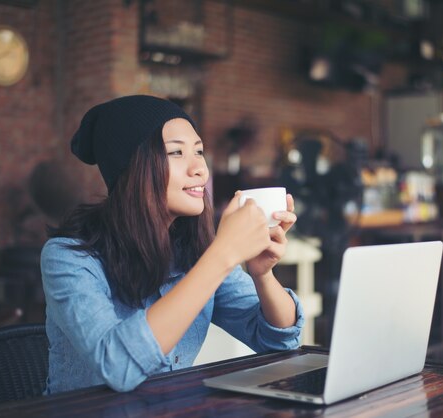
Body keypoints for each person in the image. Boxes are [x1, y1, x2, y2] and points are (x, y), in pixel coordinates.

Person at [40, 95, 304, 394]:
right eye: (176, 153)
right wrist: (223, 254)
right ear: (132, 167)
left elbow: (279, 341)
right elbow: (117, 365)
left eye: (199, 151)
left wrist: (262, 274)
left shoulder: (195, 251)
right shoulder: (68, 257)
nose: (200, 170)